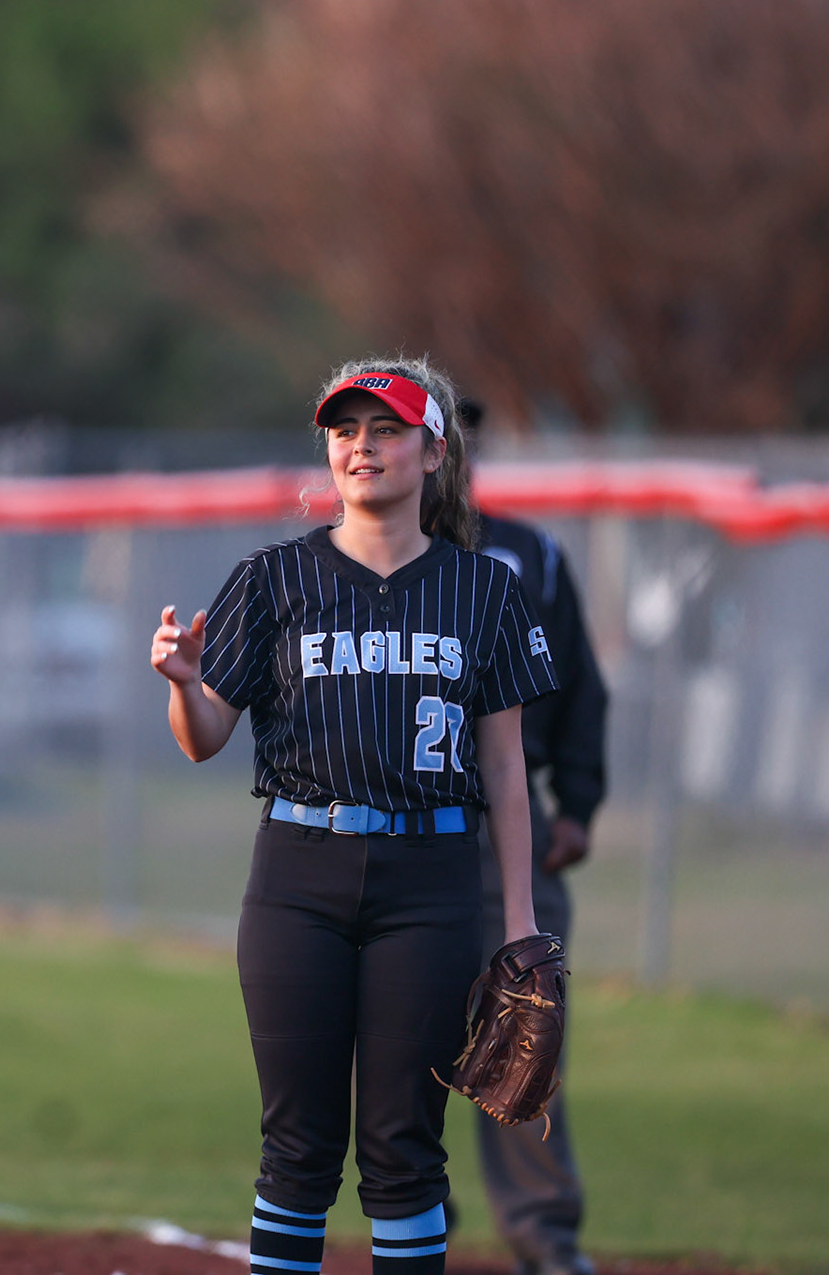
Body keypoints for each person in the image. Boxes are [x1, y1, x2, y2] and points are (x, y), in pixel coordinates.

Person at [150, 357, 559, 1275]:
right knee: (297, 1149)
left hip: (432, 885)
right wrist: (184, 686)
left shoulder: (484, 590)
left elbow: (504, 765)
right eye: (345, 430)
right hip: (298, 874)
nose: (362, 447)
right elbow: (203, 736)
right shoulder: (271, 579)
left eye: (387, 430)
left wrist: (522, 922)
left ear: (433, 451)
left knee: (404, 1154)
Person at [456, 398, 610, 1275]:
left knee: (524, 1038)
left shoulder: (530, 556)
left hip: (510, 827)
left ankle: (545, 1241)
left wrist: (578, 806)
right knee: (401, 1042)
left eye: (451, 439)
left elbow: (582, 691)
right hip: (401, 833)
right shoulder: (365, 560)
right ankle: (412, 1232)